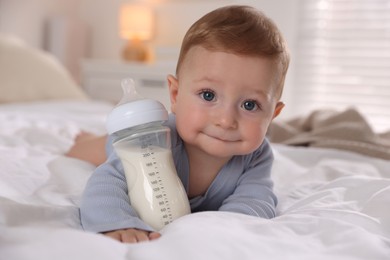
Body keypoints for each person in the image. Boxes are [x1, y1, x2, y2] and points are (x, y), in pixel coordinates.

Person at [73, 5, 290, 244]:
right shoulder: (162, 138)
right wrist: (117, 221)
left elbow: (256, 200)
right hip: (137, 142)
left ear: (272, 114)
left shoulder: (256, 157)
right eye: (208, 95)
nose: (226, 120)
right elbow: (105, 182)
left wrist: (226, 229)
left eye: (250, 105)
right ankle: (85, 140)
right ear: (175, 95)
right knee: (92, 149)